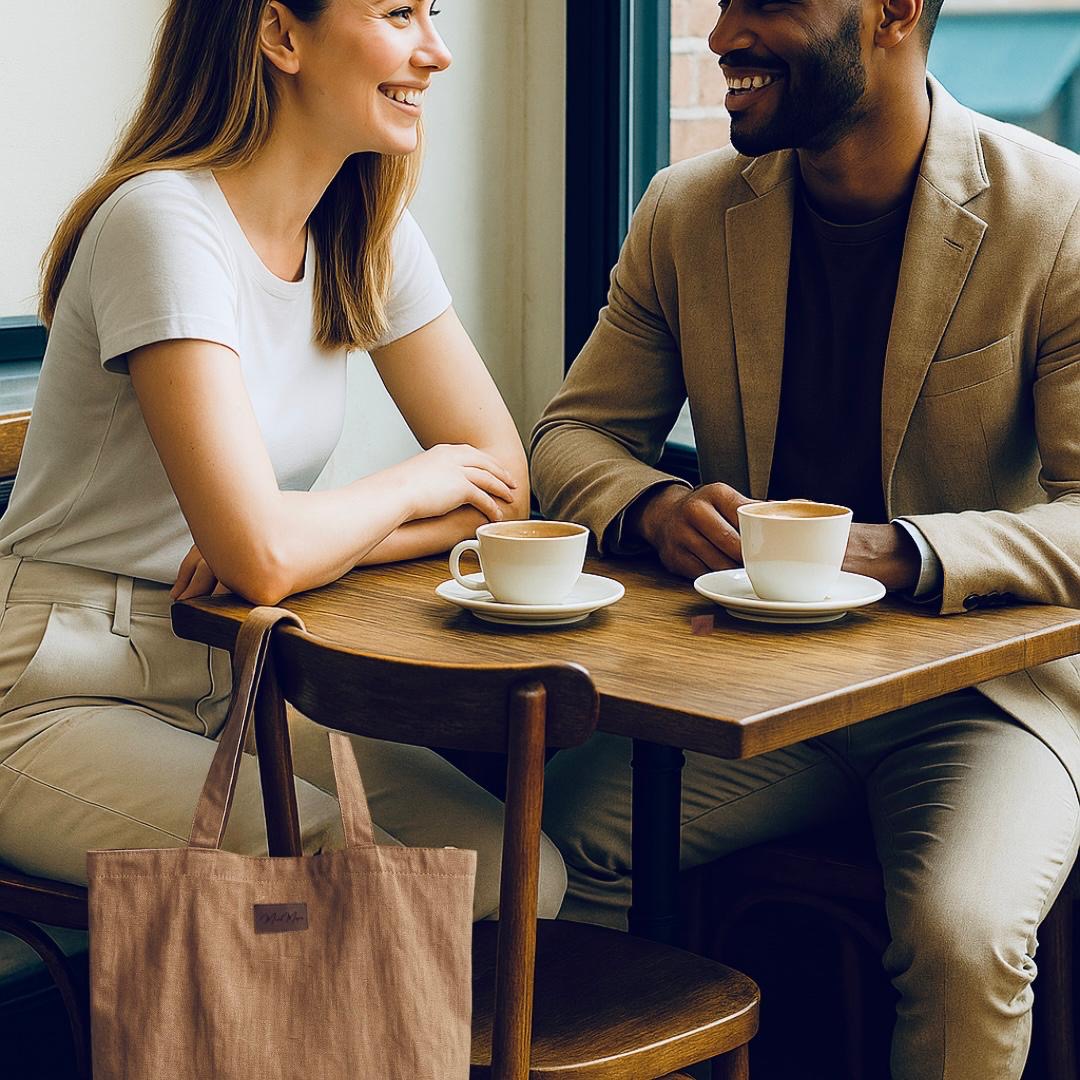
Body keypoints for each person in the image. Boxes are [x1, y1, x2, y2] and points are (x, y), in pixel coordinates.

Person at [530, 0, 1080, 1075]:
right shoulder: (685, 210)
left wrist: (901, 551)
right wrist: (649, 505)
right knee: (563, 854)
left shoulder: (1054, 212)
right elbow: (572, 434)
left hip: (977, 707)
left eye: (767, 5)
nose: (726, 33)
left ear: (893, 15)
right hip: (758, 690)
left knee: (963, 935)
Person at [0, 0, 567, 924]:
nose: (438, 50)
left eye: (434, 11)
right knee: (351, 875)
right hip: (57, 691)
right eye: (397, 12)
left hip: (243, 665)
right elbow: (266, 557)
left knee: (515, 872)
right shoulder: (162, 222)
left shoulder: (367, 230)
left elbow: (505, 487)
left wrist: (307, 543)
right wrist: (410, 486)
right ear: (280, 35)